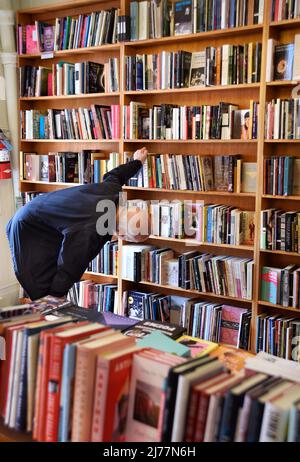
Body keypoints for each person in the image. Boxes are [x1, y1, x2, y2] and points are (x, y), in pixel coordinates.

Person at [6, 148, 149, 301]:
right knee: (44, 294)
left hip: (38, 214)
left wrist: (137, 161)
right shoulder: (92, 230)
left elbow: (115, 175)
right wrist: (57, 296)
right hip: (29, 230)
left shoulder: (112, 192)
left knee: (53, 291)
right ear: (120, 234)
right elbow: (71, 264)